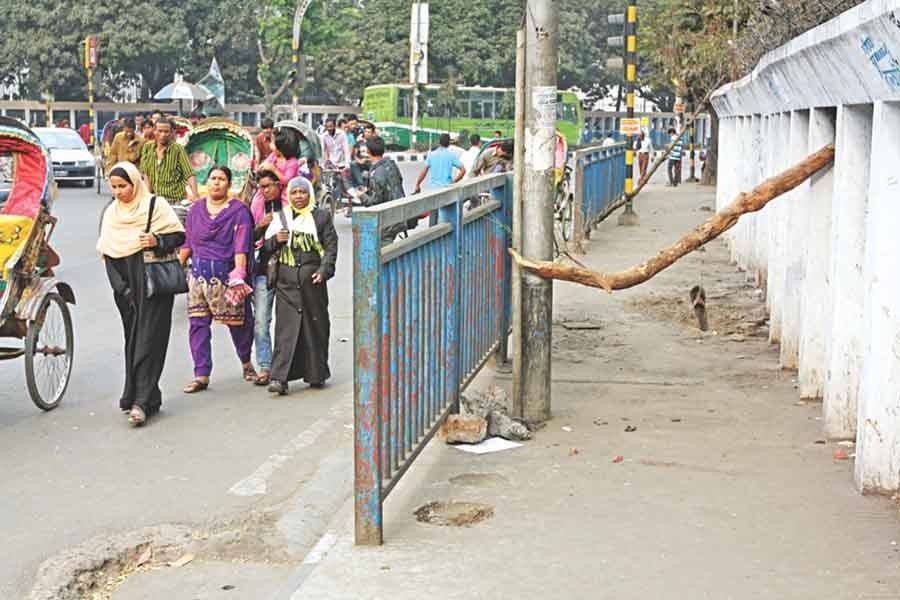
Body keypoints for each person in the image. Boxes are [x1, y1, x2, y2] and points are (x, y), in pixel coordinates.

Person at [97, 161, 186, 427]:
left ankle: (141, 403)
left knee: (150, 341)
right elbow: (108, 253)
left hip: (152, 285)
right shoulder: (112, 213)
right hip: (126, 289)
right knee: (134, 341)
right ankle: (142, 395)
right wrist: (122, 289)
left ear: (135, 183)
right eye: (114, 187)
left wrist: (157, 240)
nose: (119, 192)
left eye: (123, 186)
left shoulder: (154, 206)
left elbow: (178, 236)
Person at [179, 166, 256, 393]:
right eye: (212, 178)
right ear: (207, 182)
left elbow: (241, 245)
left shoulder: (239, 211)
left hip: (226, 277)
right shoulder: (196, 210)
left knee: (239, 324)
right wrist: (176, 267)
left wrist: (240, 273)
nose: (216, 183)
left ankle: (246, 362)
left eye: (221, 179)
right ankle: (201, 374)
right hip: (198, 277)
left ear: (229, 184)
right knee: (198, 325)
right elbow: (188, 242)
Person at [264, 177, 338, 395]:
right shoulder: (280, 218)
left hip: (312, 283)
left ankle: (316, 373)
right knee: (285, 330)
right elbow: (264, 248)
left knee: (314, 327)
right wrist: (275, 240)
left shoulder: (321, 217)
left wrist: (323, 271)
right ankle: (279, 378)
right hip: (286, 284)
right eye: (294, 192)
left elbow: (331, 248)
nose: (298, 197)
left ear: (309, 195)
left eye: (302, 192)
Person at [249, 170, 284, 386]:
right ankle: (265, 365)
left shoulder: (291, 204)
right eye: (261, 187)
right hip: (263, 270)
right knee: (261, 321)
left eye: (269, 185)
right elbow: (247, 239)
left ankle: (286, 365)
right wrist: (261, 225)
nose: (265, 190)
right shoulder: (256, 207)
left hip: (289, 270)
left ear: (278, 184)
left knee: (289, 322)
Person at [139, 117, 199, 203]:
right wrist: (148, 196)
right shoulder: (147, 147)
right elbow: (146, 173)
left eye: (166, 131)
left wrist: (196, 195)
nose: (163, 134)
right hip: (155, 199)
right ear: (154, 131)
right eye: (160, 131)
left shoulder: (178, 149)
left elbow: (190, 174)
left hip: (174, 199)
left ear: (171, 133)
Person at [362, 136, 408, 244]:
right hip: (400, 214)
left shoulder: (376, 172)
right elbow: (399, 182)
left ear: (368, 151)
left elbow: (374, 202)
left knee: (381, 251)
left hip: (387, 222)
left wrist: (361, 195)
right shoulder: (391, 165)